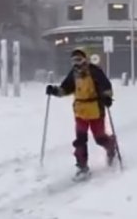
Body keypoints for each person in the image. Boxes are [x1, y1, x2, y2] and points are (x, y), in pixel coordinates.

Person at [46, 48, 116, 178]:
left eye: (79, 60)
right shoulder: (73, 74)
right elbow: (65, 89)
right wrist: (55, 91)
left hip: (95, 109)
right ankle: (82, 166)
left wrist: (106, 96)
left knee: (99, 138)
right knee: (80, 140)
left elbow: (106, 85)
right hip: (80, 111)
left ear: (85, 59)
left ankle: (111, 146)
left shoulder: (94, 71)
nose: (76, 64)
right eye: (73, 61)